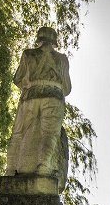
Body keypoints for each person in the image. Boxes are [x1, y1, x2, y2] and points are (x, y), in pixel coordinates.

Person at [5, 27, 71, 188]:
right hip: (54, 96)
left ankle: (10, 169)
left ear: (39, 39)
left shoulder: (28, 54)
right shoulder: (62, 59)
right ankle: (43, 167)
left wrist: (29, 84)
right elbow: (67, 87)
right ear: (54, 41)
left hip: (30, 96)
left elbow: (17, 79)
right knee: (49, 133)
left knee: (19, 133)